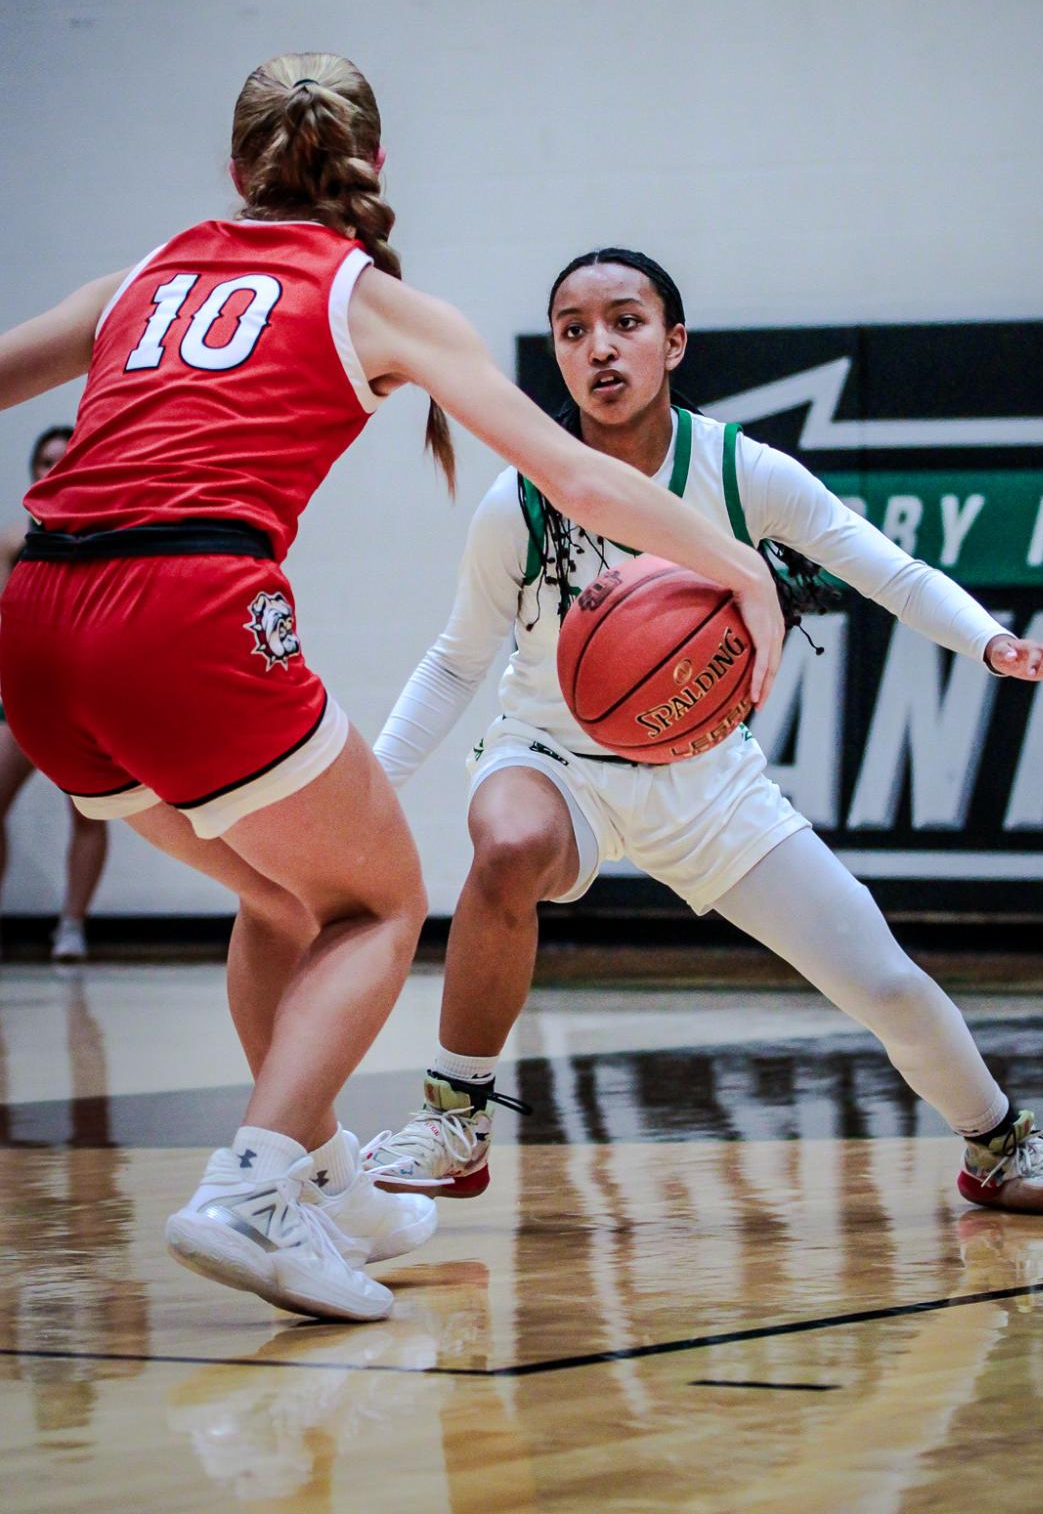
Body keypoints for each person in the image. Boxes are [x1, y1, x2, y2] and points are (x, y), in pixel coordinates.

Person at [0, 68, 784, 1326]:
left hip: (34, 622)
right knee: (380, 902)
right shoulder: (372, 301)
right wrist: (733, 560)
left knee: (276, 895)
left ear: (234, 172)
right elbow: (575, 480)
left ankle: (317, 1177)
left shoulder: (140, 277)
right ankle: (254, 1193)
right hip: (187, 612)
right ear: (371, 161)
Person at [369, 248, 1043, 1216]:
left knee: (882, 983)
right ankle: (454, 1118)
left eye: (624, 321)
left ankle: (998, 1143)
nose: (599, 347)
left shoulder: (742, 473)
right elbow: (459, 660)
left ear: (673, 343)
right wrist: (369, 784)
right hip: (551, 760)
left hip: (707, 782)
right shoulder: (522, 499)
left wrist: (991, 645)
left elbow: (888, 571)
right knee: (505, 843)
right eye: (572, 330)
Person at [0, 426, 109, 962]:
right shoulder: (12, 541)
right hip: (22, 695)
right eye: (43, 461)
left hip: (87, 693)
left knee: (91, 812)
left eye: (62, 460)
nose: (52, 469)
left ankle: (72, 926)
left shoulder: (111, 530)